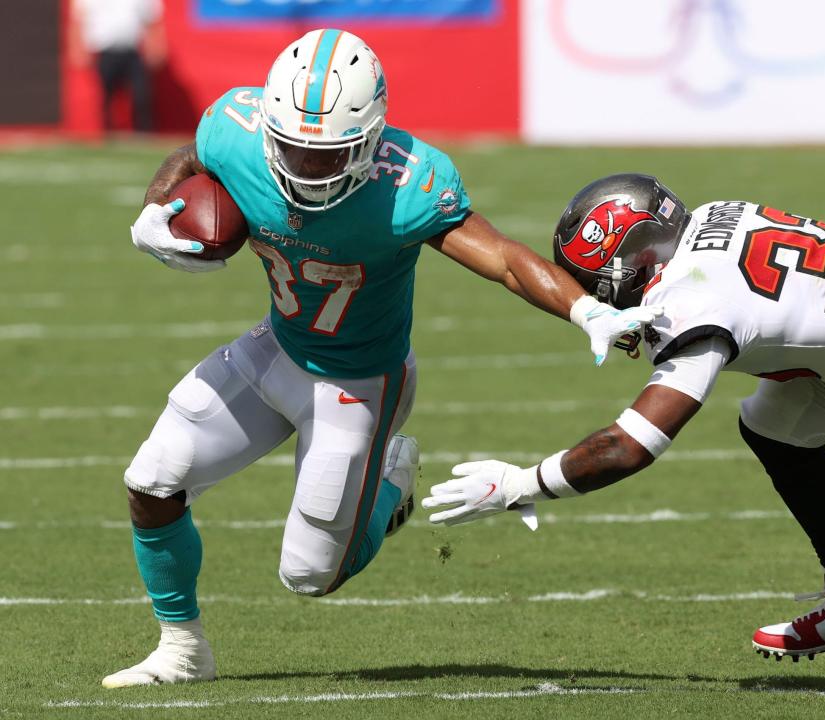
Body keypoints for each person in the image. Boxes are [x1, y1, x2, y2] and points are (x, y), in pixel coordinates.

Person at [103, 31, 658, 688]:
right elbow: (192, 157)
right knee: (152, 481)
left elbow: (504, 258)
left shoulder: (409, 187)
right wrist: (153, 211)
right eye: (294, 150)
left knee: (309, 575)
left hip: (359, 382)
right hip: (275, 347)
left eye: (327, 154)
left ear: (368, 141)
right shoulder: (235, 128)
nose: (306, 168)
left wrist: (584, 309)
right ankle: (182, 647)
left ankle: (391, 481)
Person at [423, 172, 825, 661]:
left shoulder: (691, 302)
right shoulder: (715, 215)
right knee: (776, 425)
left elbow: (630, 445)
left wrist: (523, 484)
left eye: (596, 284)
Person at [68, 0, 166, 133]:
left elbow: (151, 20)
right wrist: (77, 48)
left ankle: (144, 134)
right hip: (103, 52)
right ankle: (106, 134)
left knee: (141, 94)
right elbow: (78, 20)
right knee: (104, 97)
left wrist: (156, 46)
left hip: (133, 51)